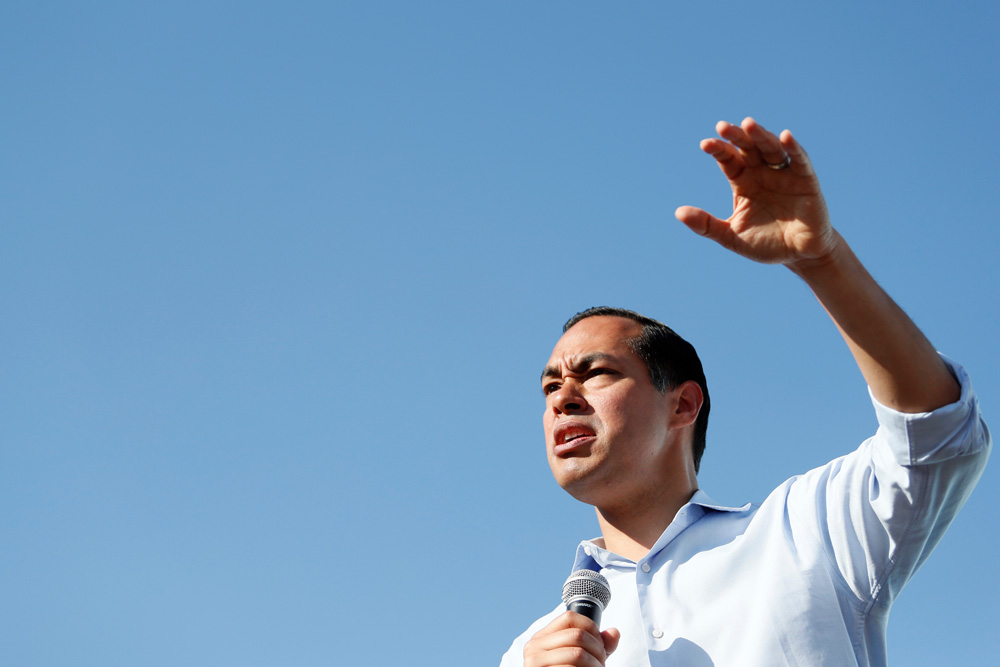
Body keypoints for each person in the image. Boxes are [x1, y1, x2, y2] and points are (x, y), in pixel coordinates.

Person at [499, 118, 991, 666]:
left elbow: (937, 431)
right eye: (549, 385)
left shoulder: (806, 534)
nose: (561, 397)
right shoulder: (532, 650)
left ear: (682, 404)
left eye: (595, 373)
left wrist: (822, 260)